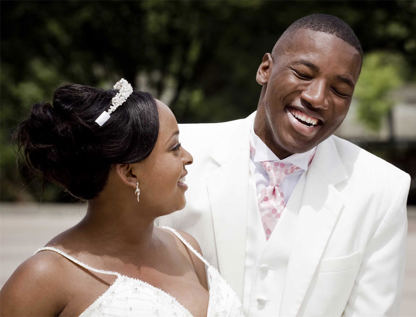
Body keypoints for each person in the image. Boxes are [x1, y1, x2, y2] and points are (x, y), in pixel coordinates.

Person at [160, 13, 411, 316]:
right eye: (304, 74)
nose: (318, 98)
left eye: (340, 90)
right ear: (265, 69)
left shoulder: (382, 190)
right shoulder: (178, 152)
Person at [0, 79, 244, 317]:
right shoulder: (46, 275)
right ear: (130, 172)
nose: (188, 157)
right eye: (174, 147)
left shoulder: (187, 249)